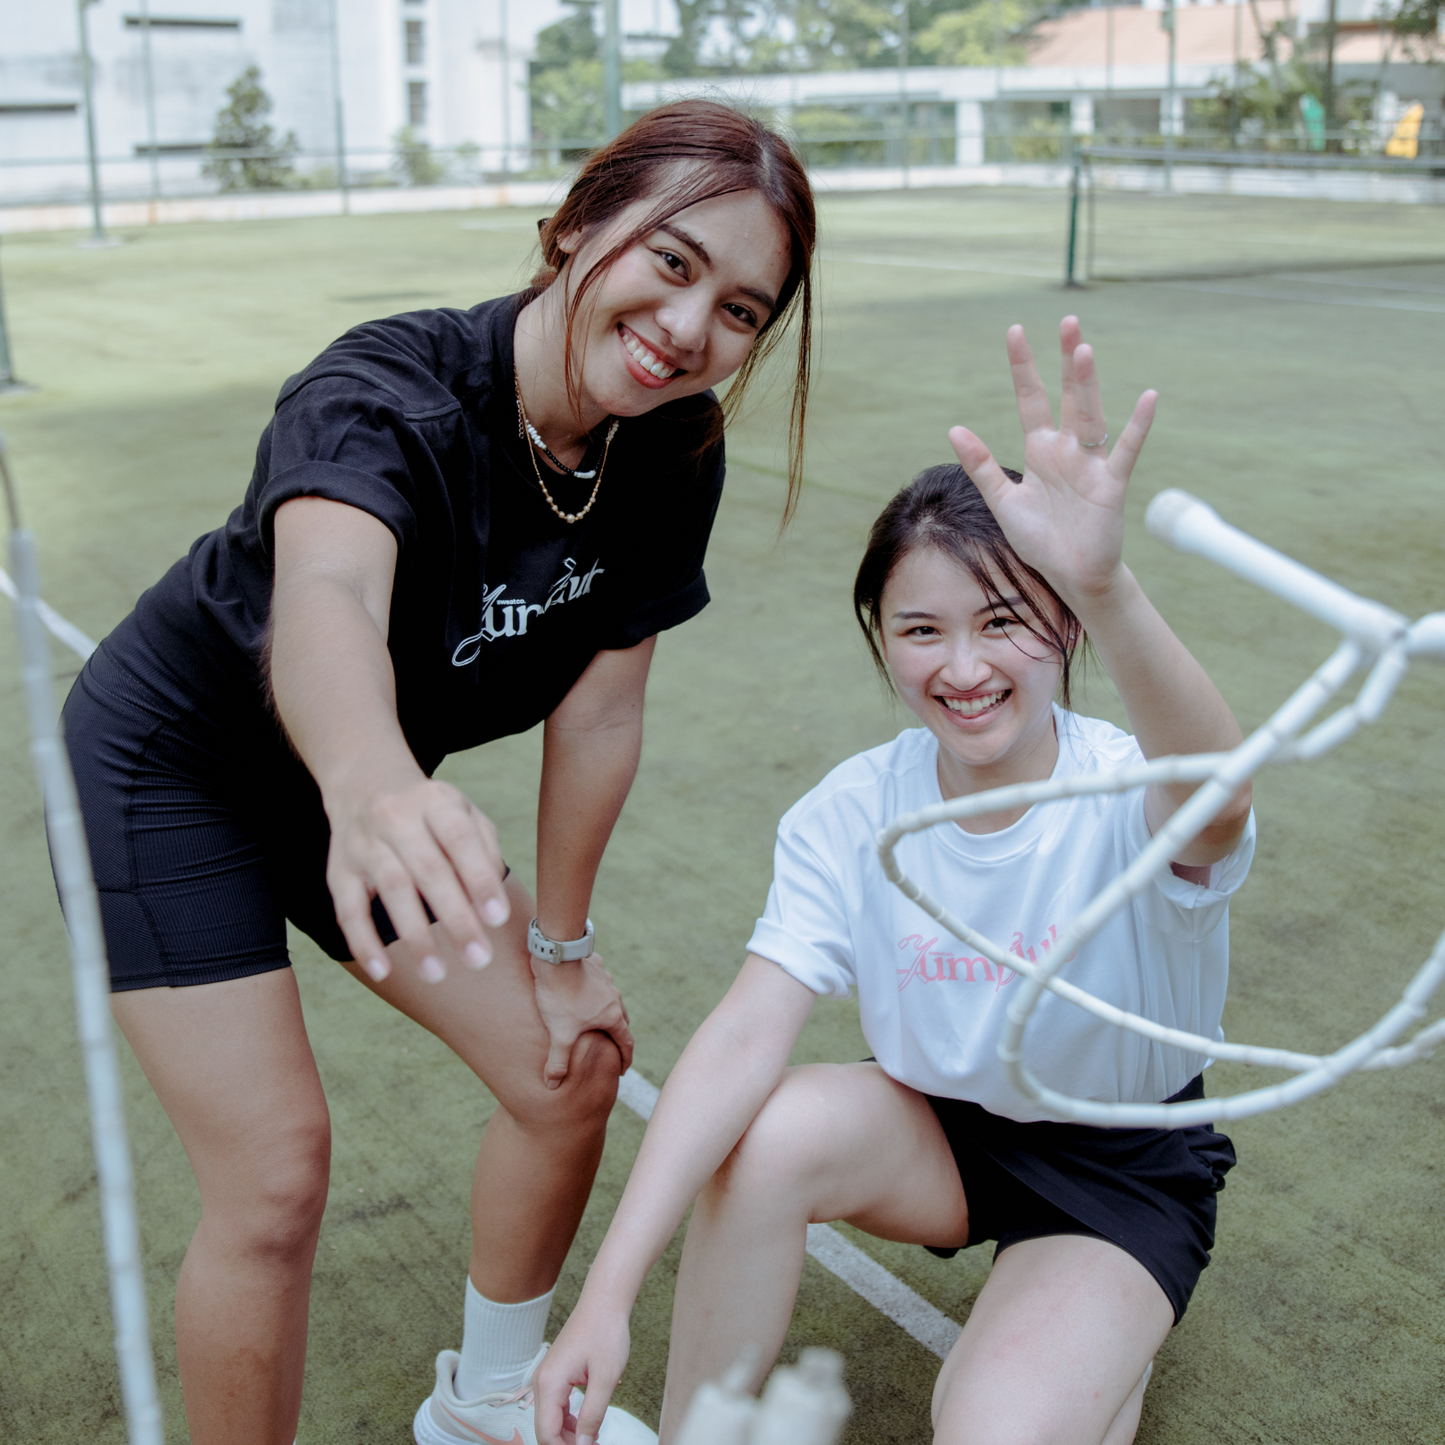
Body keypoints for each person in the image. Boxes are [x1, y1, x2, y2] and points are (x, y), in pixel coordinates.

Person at [59, 100, 815, 1445]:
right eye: (674, 261)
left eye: (744, 309)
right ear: (580, 224)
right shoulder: (386, 392)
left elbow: (600, 706)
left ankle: (488, 1405)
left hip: (364, 786)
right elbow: (330, 599)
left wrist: (561, 940)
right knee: (277, 1174)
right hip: (178, 763)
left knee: (568, 1063)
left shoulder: (668, 448)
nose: (692, 328)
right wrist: (372, 786)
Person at [535, 318, 1256, 1445]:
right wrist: (604, 1296)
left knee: (991, 1427)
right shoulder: (852, 808)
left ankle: (1093, 1336)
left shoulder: (1128, 788)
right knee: (764, 1129)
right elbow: (739, 1036)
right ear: (880, 637)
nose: (960, 669)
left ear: (1059, 621)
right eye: (919, 629)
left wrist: (1106, 580)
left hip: (1119, 1160)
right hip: (941, 1127)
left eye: (1000, 621)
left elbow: (1217, 801)